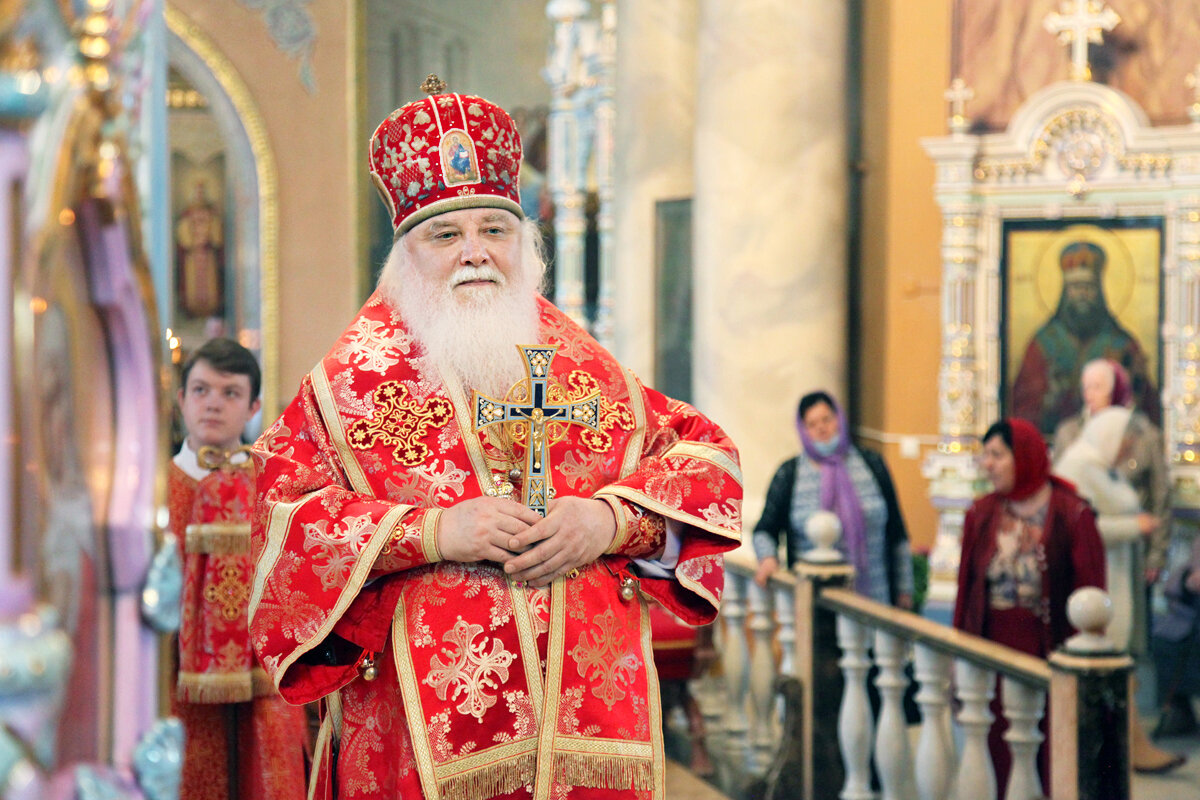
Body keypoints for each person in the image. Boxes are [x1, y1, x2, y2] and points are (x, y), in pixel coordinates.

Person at [248, 77, 742, 800]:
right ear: (406, 256)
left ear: (525, 243)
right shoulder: (350, 382)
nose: (475, 252)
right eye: (446, 234)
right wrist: (433, 531)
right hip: (418, 746)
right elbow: (283, 515)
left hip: (592, 727)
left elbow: (706, 459)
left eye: (495, 230)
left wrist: (608, 520)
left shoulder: (580, 362)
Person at [169, 338, 309, 800]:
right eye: (201, 390)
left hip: (264, 683)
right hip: (176, 682)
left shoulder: (278, 487)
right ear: (181, 398)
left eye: (229, 393)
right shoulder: (153, 487)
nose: (213, 403)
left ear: (253, 406)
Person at [954, 418, 1107, 796]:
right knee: (998, 753)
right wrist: (959, 660)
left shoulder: (1072, 512)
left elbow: (1091, 593)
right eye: (984, 455)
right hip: (992, 650)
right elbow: (966, 592)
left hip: (1049, 650)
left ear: (1023, 455)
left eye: (997, 454)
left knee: (1050, 753)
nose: (987, 464)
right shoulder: (981, 514)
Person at [1051, 404, 1186, 773]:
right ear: (1110, 434)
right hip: (1096, 581)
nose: (1130, 447)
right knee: (1106, 668)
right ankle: (1127, 749)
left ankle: (1125, 747)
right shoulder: (1078, 466)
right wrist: (1135, 526)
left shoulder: (1105, 468)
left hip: (1120, 576)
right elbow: (1080, 527)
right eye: (1127, 438)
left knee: (1119, 668)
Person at [752, 391, 914, 609]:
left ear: (839, 419)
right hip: (816, 603)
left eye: (826, 419)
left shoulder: (872, 464)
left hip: (875, 596)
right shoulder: (790, 474)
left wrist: (905, 590)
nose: (821, 428)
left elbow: (897, 532)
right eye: (812, 424)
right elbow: (764, 530)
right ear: (803, 431)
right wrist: (768, 558)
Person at [1011, 241, 1159, 435]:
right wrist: (1049, 398)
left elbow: (1146, 409)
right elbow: (1022, 409)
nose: (1082, 294)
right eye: (1075, 287)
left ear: (1099, 291)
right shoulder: (1042, 344)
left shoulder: (1122, 343)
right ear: (1065, 292)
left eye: (1088, 287)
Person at [1054, 358, 1169, 587]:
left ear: (1116, 390)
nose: (1090, 394)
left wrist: (1156, 554)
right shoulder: (1069, 434)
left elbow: (1160, 496)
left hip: (1133, 552)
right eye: (1086, 387)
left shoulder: (1145, 435)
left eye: (1098, 387)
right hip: (1087, 552)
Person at [1152, 534, 1200, 738]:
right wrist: (1189, 582)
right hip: (1190, 617)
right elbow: (1172, 585)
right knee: (1163, 638)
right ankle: (1179, 711)